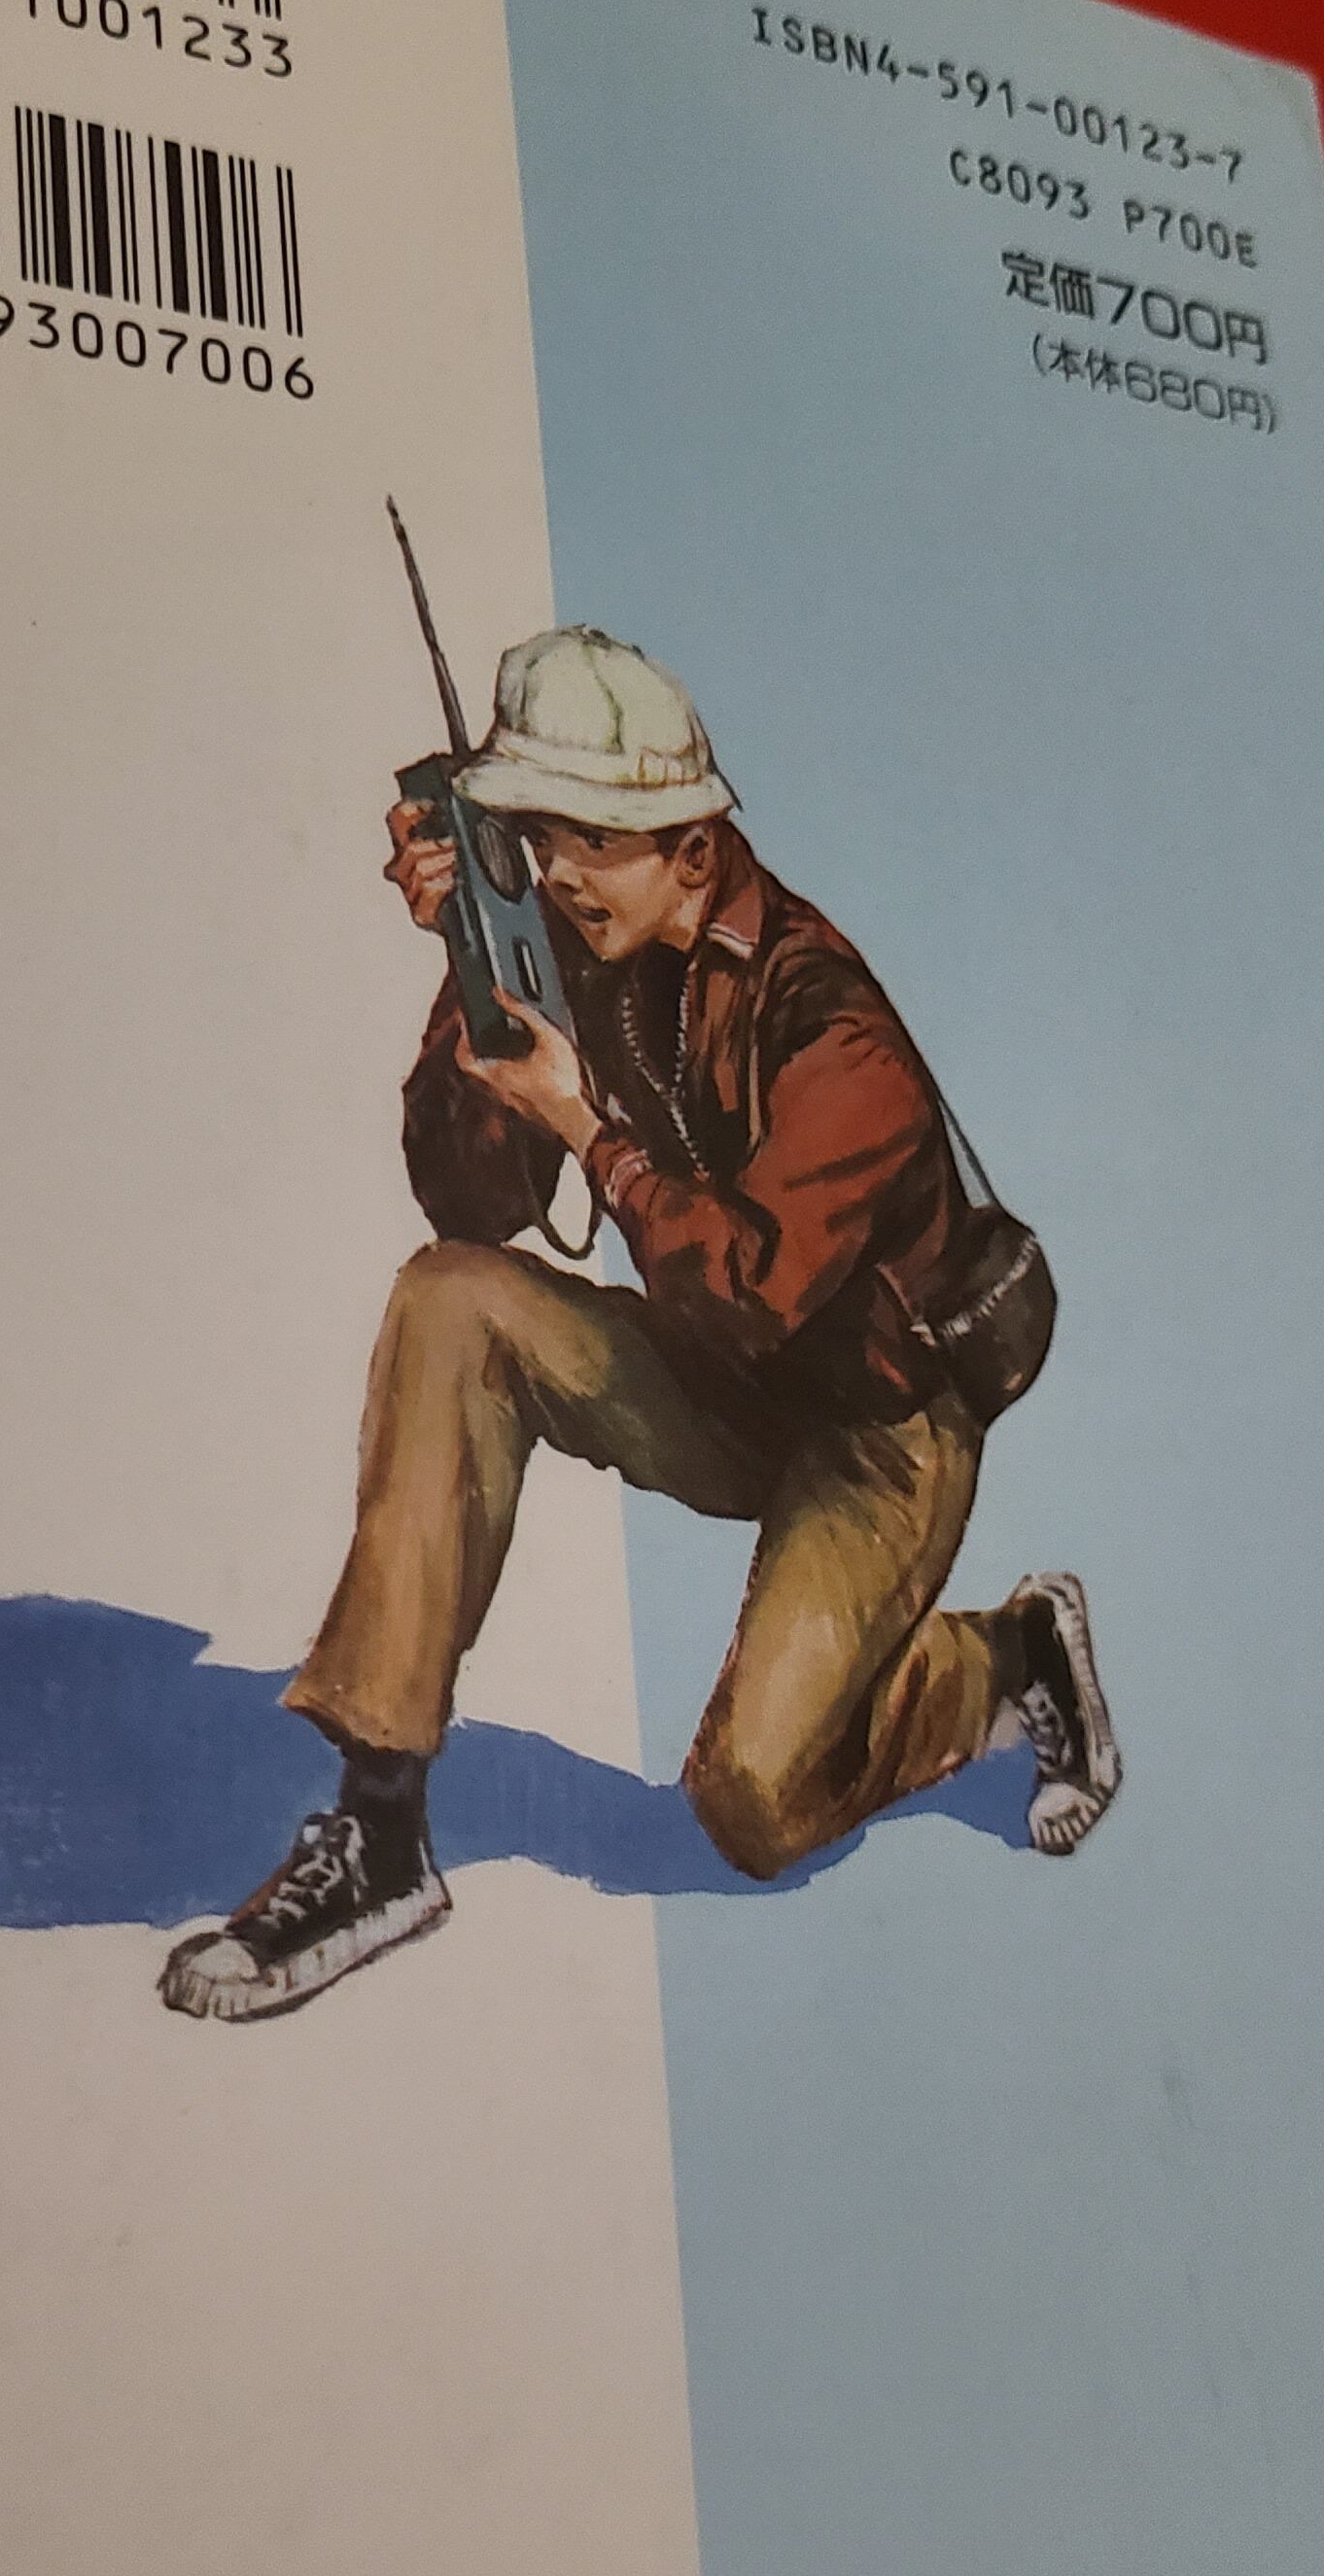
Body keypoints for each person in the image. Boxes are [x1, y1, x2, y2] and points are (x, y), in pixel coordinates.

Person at [158, 627, 1117, 2021]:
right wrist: (476, 972)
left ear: (693, 848)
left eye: (590, 841)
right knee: (451, 1302)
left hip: (874, 1427)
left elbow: (757, 1294)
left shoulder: (833, 1027)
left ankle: (1006, 1660)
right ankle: (379, 1830)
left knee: (754, 1804)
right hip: (717, 1381)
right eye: (535, 837)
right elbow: (469, 1206)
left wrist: (587, 1131)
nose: (555, 873)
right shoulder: (569, 946)